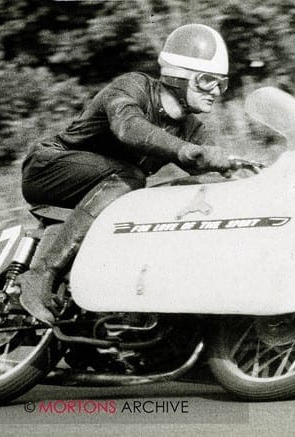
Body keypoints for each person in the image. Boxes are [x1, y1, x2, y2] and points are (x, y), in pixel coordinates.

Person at [17, 24, 233, 324]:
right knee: (132, 177)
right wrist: (184, 150)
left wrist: (241, 169)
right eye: (207, 80)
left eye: (221, 83)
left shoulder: (191, 127)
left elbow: (208, 162)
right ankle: (40, 274)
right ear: (178, 76)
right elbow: (129, 128)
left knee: (177, 194)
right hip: (49, 168)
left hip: (101, 189)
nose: (215, 91)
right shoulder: (132, 87)